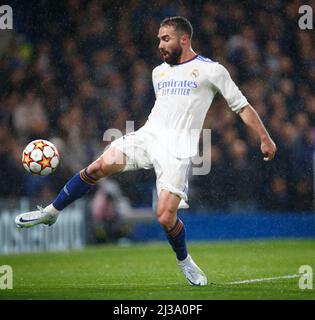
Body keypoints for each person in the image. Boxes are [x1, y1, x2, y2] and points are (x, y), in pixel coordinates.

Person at [15, 16, 277, 286]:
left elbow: (242, 107)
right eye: (158, 40)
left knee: (165, 217)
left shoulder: (212, 71)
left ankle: (185, 261)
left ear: (184, 39)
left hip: (178, 150)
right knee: (97, 167)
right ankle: (51, 212)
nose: (160, 45)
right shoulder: (158, 72)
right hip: (147, 136)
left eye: (166, 39)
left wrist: (265, 138)